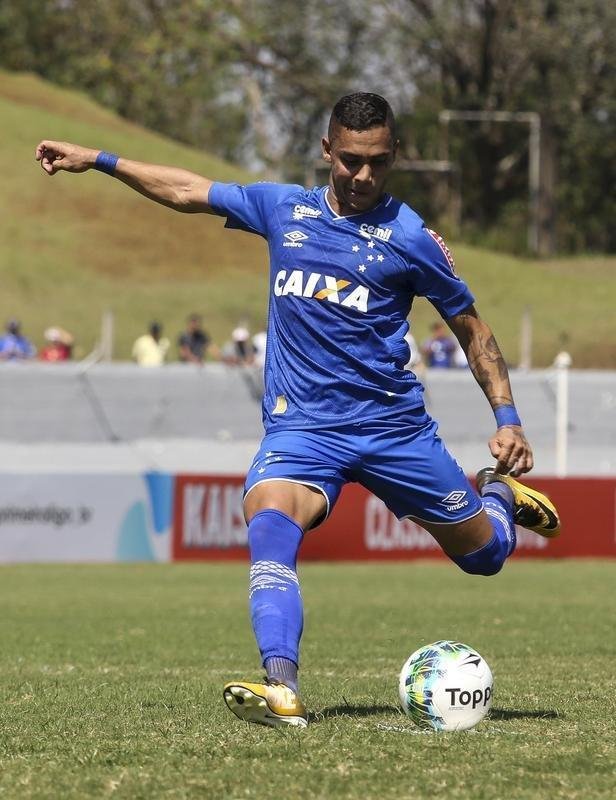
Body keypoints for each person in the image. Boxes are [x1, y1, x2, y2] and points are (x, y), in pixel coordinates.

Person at [35, 92, 561, 730]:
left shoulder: (412, 237)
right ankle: (280, 685)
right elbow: (187, 190)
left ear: (392, 156)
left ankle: (496, 496)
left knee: (486, 557)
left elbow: (473, 331)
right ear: (326, 151)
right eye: (349, 161)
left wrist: (507, 419)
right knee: (268, 515)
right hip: (302, 431)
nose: (362, 176)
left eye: (376, 163)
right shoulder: (282, 208)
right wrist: (97, 158)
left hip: (393, 430)